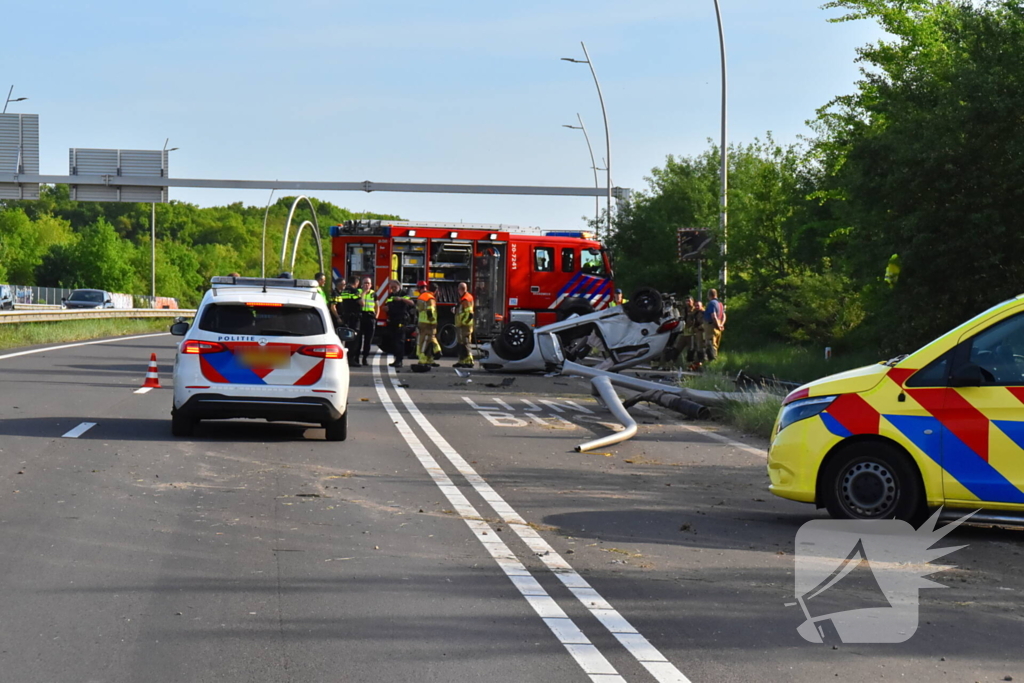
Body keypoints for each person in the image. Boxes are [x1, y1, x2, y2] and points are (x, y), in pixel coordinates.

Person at [383, 280, 415, 368]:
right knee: (393, 342)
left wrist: (401, 299)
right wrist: (386, 308)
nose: (393, 289)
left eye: (394, 287)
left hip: (401, 321)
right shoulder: (391, 295)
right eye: (391, 287)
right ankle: (396, 360)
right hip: (392, 321)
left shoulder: (403, 294)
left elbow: (412, 303)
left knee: (399, 342)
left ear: (399, 286)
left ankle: (399, 361)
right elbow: (388, 304)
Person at [414, 281, 441, 369]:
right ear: (436, 290)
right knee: (426, 341)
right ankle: (425, 359)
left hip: (422, 322)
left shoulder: (421, 297)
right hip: (428, 323)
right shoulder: (430, 298)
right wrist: (433, 322)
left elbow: (418, 309)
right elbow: (430, 311)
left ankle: (429, 359)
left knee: (425, 340)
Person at [337, 275, 363, 366]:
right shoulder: (354, 291)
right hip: (354, 317)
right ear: (356, 283)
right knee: (354, 339)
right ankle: (351, 359)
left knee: (347, 338)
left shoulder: (344, 291)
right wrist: (362, 294)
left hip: (346, 316)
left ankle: (346, 358)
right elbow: (361, 303)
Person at [454, 282, 475, 368]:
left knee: (465, 343)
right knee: (461, 343)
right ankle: (462, 361)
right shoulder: (464, 298)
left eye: (458, 290)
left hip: (465, 325)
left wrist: (464, 322)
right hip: (462, 324)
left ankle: (469, 361)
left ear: (460, 289)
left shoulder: (466, 299)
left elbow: (469, 313)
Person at [358, 276, 377, 366]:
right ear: (362, 284)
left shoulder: (373, 294)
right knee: (358, 340)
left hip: (370, 317)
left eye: (368, 283)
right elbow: (361, 303)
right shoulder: (359, 292)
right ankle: (357, 358)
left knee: (368, 340)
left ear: (371, 285)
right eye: (365, 283)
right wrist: (364, 293)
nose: (366, 285)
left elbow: (377, 305)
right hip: (361, 316)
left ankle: (365, 358)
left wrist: (376, 316)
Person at [703, 289, 726, 361]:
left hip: (711, 325)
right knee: (715, 344)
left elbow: (714, 315)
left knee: (710, 344)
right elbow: (724, 315)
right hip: (719, 323)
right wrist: (721, 324)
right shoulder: (720, 304)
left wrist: (717, 325)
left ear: (709, 295)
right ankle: (714, 360)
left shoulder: (712, 303)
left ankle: (712, 361)